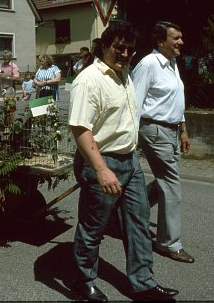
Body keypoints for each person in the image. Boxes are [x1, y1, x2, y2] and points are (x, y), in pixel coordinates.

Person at [68, 23, 178, 302]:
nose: (125, 54)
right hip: (102, 161)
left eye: (130, 50)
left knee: (138, 224)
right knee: (93, 227)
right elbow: (80, 129)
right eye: (119, 47)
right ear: (104, 45)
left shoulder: (124, 73)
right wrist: (101, 169)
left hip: (130, 160)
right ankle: (82, 281)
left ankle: (143, 283)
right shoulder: (89, 79)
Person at [132, 21, 193, 264]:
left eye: (181, 37)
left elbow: (176, 99)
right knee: (171, 183)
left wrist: (183, 129)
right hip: (154, 130)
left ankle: (130, 211)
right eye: (175, 38)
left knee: (166, 180)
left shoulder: (172, 63)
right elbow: (134, 103)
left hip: (172, 130)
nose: (181, 42)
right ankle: (169, 243)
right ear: (160, 42)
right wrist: (130, 137)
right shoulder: (149, 64)